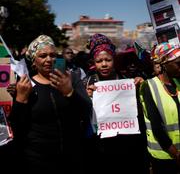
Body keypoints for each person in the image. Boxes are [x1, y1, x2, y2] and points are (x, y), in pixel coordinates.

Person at [8, 35, 92, 174]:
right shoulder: (26, 85)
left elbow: (86, 111)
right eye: (43, 55)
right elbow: (17, 126)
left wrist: (69, 92)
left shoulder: (70, 78)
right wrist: (21, 99)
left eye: (52, 55)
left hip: (72, 158)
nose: (49, 60)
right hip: (38, 161)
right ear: (34, 61)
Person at [83, 33, 150, 173]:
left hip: (128, 144)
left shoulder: (126, 79)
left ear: (114, 59)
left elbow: (138, 110)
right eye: (99, 61)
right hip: (101, 147)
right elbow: (81, 115)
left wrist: (141, 88)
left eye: (108, 59)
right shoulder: (87, 83)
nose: (104, 64)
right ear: (93, 63)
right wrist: (87, 98)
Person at [140, 42, 180, 174]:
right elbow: (157, 127)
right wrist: (176, 154)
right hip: (165, 158)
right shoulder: (149, 86)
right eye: (178, 63)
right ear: (164, 64)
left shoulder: (177, 83)